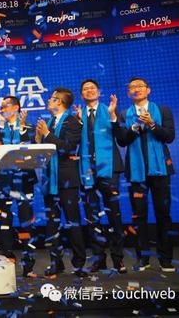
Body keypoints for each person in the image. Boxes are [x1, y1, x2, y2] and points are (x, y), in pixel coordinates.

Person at [112, 77, 175, 272]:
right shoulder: (125, 114)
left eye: (140, 86)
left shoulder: (162, 110)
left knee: (163, 214)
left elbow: (169, 137)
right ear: (128, 93)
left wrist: (152, 124)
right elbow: (122, 140)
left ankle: (166, 259)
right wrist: (137, 125)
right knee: (139, 215)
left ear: (148, 90)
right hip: (136, 172)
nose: (136, 89)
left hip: (161, 171)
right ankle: (143, 258)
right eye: (132, 87)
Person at [75, 80, 126, 274]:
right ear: (82, 95)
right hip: (87, 170)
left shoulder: (110, 110)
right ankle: (98, 259)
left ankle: (118, 259)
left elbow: (121, 137)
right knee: (92, 216)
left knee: (114, 214)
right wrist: (78, 123)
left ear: (98, 92)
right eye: (85, 89)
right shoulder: (79, 115)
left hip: (109, 169)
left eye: (92, 88)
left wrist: (113, 116)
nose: (89, 91)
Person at [35, 88, 87, 277]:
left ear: (60, 102)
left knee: (73, 221)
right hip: (50, 179)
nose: (49, 101)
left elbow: (67, 148)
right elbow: (44, 151)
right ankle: (56, 263)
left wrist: (47, 134)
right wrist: (38, 139)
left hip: (66, 179)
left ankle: (79, 264)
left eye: (52, 98)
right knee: (52, 223)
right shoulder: (49, 122)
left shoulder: (72, 121)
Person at [0, 96, 37, 277]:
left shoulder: (28, 127)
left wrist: (22, 129)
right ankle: (7, 261)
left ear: (17, 107)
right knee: (5, 221)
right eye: (1, 107)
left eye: (7, 106)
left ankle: (29, 265)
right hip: (3, 181)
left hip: (24, 181)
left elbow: (31, 148)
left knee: (26, 221)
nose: (3, 109)